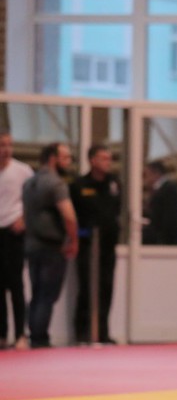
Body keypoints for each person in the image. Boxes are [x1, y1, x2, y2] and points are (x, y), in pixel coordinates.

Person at [22, 142, 78, 349]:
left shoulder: (29, 183)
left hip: (31, 244)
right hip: (51, 246)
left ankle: (33, 334)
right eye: (66, 158)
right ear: (53, 158)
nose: (69, 162)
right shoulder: (56, 184)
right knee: (47, 295)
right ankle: (40, 338)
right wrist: (73, 239)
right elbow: (69, 216)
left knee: (37, 293)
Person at [70, 144, 122, 344]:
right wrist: (79, 236)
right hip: (87, 245)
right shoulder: (79, 185)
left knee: (106, 288)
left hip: (108, 246)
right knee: (87, 288)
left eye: (109, 158)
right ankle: (82, 333)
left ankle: (102, 332)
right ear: (92, 160)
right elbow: (75, 217)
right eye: (103, 158)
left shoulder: (114, 183)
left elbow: (116, 210)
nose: (108, 162)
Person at [0, 131, 35, 350]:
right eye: (2, 145)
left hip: (14, 231)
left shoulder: (22, 171)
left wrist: (24, 218)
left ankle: (21, 333)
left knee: (16, 284)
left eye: (9, 145)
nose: (6, 149)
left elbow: (34, 199)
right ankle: (2, 334)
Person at [141, 161, 177, 245]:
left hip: (166, 242)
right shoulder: (159, 190)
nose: (145, 180)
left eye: (146, 175)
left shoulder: (169, 189)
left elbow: (169, 220)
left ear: (155, 174)